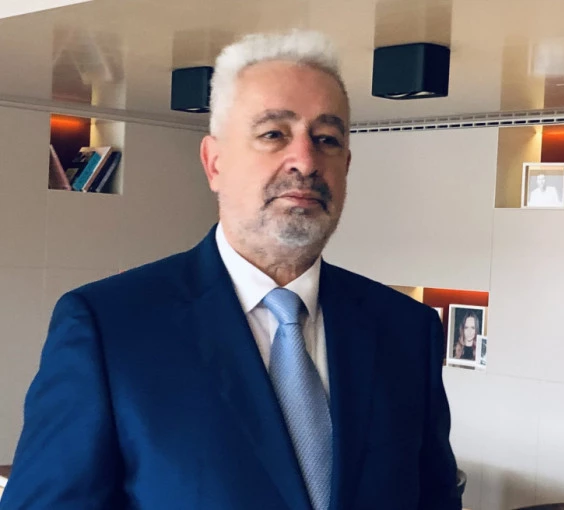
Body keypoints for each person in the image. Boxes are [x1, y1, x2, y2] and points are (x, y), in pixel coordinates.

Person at [0, 30, 461, 510]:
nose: (305, 160)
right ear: (214, 163)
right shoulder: (108, 329)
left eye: (326, 139)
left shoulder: (407, 330)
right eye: (273, 134)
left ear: (346, 166)